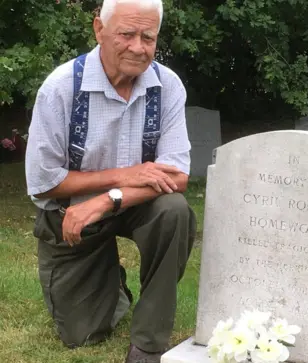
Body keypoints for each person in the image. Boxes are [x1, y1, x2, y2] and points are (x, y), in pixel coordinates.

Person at [24, 0, 197, 362]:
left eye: (147, 37)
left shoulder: (167, 85)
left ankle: (148, 343)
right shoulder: (59, 88)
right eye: (127, 34)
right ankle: (111, 281)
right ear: (99, 30)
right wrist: (124, 174)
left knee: (173, 211)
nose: (138, 46)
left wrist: (108, 198)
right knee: (82, 334)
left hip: (131, 205)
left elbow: (177, 176)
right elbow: (43, 183)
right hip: (72, 218)